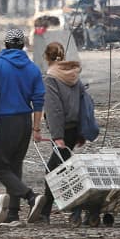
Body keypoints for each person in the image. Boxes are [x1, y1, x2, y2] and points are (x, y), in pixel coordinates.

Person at [0, 27, 47, 224]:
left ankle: (30, 196)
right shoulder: (32, 69)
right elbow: (38, 101)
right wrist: (36, 128)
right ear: (23, 45)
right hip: (25, 122)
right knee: (14, 166)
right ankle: (13, 213)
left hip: (7, 121)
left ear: (5, 44)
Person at [37, 41, 92, 225]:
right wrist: (82, 132)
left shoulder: (51, 78)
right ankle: (72, 212)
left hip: (62, 131)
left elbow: (54, 110)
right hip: (75, 129)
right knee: (63, 169)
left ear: (46, 57)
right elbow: (85, 104)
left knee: (53, 172)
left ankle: (52, 213)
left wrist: (57, 136)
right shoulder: (74, 76)